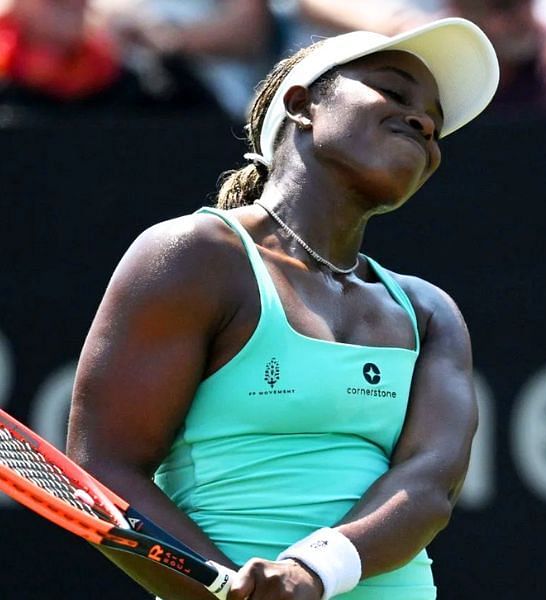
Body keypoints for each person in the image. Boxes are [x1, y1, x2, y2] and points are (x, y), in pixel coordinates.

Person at [64, 17, 498, 600]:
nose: (424, 124)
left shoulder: (429, 311)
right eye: (393, 93)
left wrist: (310, 572)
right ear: (302, 105)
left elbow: (430, 485)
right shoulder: (194, 255)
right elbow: (105, 473)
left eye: (435, 125)